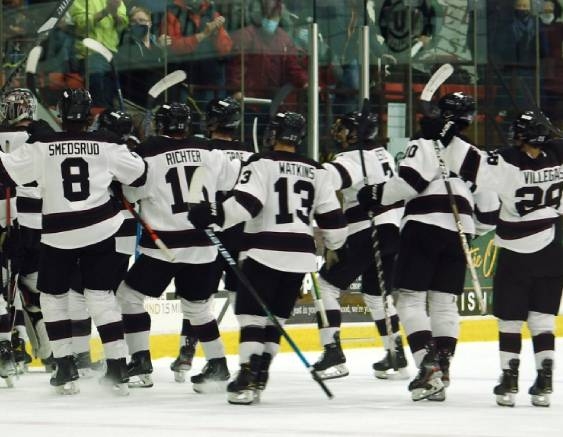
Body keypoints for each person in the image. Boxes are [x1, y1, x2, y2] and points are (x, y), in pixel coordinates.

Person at [188, 111, 348, 405]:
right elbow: (333, 225)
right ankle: (261, 372)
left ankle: (248, 374)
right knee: (275, 320)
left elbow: (246, 204)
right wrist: (336, 244)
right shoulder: (318, 170)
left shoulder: (261, 163)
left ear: (273, 134)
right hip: (301, 257)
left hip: (264, 251)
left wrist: (213, 214)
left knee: (251, 318)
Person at [0, 88, 147, 395]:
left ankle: (65, 369)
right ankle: (118, 367)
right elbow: (138, 174)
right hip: (100, 229)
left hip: (58, 233)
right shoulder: (104, 142)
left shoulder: (43, 143)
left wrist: (36, 138)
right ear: (90, 113)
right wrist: (118, 142)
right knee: (101, 296)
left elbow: (10, 169)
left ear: (60, 112)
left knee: (52, 298)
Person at [357, 92, 493, 402]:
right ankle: (441, 367)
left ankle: (426, 366)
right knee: (444, 303)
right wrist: (470, 229)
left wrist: (375, 194)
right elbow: (490, 211)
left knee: (409, 299)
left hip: (423, 227)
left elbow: (408, 184)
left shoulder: (424, 143)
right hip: (460, 231)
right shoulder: (477, 155)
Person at [438, 109, 563, 408]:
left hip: (517, 252)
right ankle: (544, 381)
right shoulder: (560, 155)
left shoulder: (507, 163)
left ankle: (509, 380)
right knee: (542, 319)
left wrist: (446, 134)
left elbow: (467, 162)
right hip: (555, 248)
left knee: (510, 320)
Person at [117, 102, 240, 392]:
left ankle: (141, 363)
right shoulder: (210, 150)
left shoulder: (147, 152)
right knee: (198, 309)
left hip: (164, 244)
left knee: (129, 297)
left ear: (160, 125)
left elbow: (133, 192)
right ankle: (218, 363)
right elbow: (232, 178)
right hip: (203, 243)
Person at [312, 110, 407, 381]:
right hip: (392, 231)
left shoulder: (352, 158)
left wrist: (306, 168)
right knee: (377, 296)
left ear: (353, 133)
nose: (336, 133)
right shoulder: (384, 154)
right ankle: (396, 355)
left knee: (326, 286)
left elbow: (327, 179)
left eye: (341, 128)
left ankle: (333, 352)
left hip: (366, 230)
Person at [168, 96, 252, 383]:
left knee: (197, 297)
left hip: (213, 229)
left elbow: (197, 195)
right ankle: (250, 360)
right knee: (242, 299)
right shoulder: (251, 154)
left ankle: (186, 353)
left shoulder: (205, 151)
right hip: (245, 233)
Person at [0, 89, 55, 377]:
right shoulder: (45, 134)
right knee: (34, 289)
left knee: (6, 287)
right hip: (39, 222)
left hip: (9, 220)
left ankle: (8, 348)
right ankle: (50, 353)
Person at [161, 0, 233, 105]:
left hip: (209, 83)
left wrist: (215, 33)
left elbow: (225, 49)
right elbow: (174, 48)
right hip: (181, 83)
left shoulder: (212, 13)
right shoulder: (172, 13)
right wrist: (203, 35)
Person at [70, 0, 129, 109]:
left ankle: (108, 116)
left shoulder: (117, 1)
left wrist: (115, 13)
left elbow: (123, 24)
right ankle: (100, 114)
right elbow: (81, 24)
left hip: (111, 55)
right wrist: (105, 12)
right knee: (99, 87)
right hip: (90, 52)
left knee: (111, 91)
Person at [116, 6, 166, 108]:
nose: (138, 24)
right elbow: (143, 68)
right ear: (129, 25)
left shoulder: (155, 45)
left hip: (156, 104)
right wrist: (159, 50)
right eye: (134, 21)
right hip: (134, 105)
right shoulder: (126, 44)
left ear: (150, 23)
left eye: (142, 20)